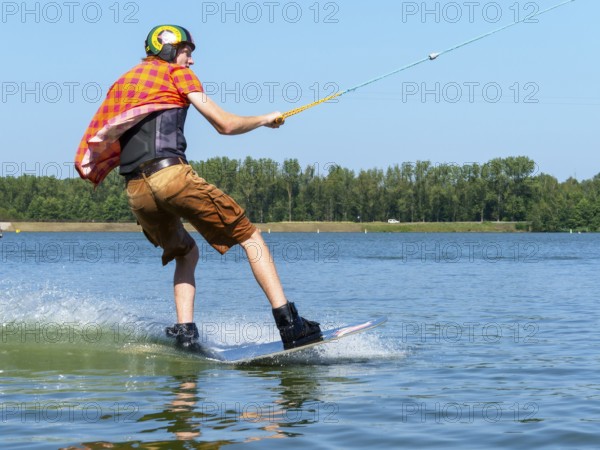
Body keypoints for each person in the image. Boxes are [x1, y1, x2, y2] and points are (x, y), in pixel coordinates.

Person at [75, 25, 321, 352]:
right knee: (250, 236)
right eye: (187, 52)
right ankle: (291, 325)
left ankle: (185, 334)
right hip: (170, 176)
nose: (190, 61)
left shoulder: (125, 83)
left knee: (186, 252)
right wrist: (265, 119)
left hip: (136, 191)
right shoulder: (178, 75)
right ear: (168, 50)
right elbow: (225, 124)